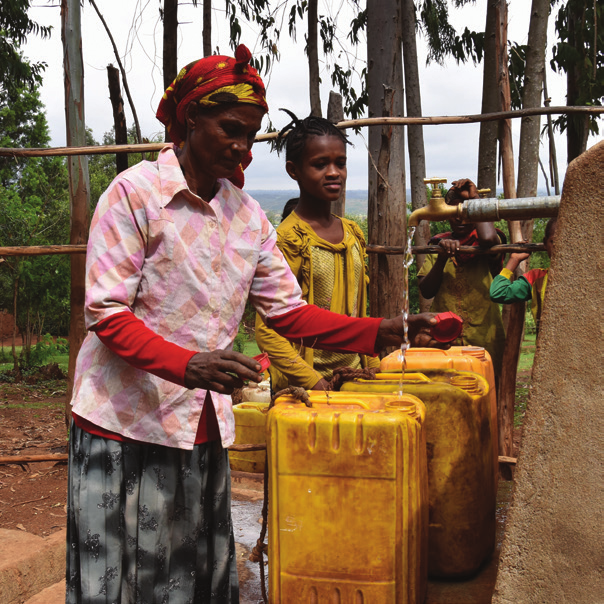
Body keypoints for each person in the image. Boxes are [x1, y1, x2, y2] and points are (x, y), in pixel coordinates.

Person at [66, 45, 441, 604]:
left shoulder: (247, 216)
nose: (242, 145)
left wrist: (378, 331)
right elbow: (106, 313)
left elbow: (287, 312)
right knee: (122, 579)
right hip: (124, 420)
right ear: (192, 119)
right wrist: (187, 364)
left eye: (251, 133)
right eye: (230, 128)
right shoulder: (135, 195)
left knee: (187, 575)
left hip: (199, 425)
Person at [255, 113, 382, 391]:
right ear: (294, 170)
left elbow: (358, 308)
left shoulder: (352, 234)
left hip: (353, 379)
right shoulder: (289, 239)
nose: (334, 172)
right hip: (306, 389)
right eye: (320, 164)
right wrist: (313, 380)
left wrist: (372, 368)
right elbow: (267, 327)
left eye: (341, 163)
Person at [418, 178, 506, 376]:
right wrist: (441, 259)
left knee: (487, 394)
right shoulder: (438, 244)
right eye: (455, 211)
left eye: (467, 211)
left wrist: (474, 198)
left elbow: (487, 238)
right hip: (444, 341)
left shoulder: (488, 241)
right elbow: (426, 290)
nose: (461, 218)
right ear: (446, 212)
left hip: (485, 338)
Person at [490, 218, 557, 335]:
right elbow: (497, 292)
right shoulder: (537, 278)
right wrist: (514, 259)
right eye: (553, 242)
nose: (560, 247)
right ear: (545, 243)